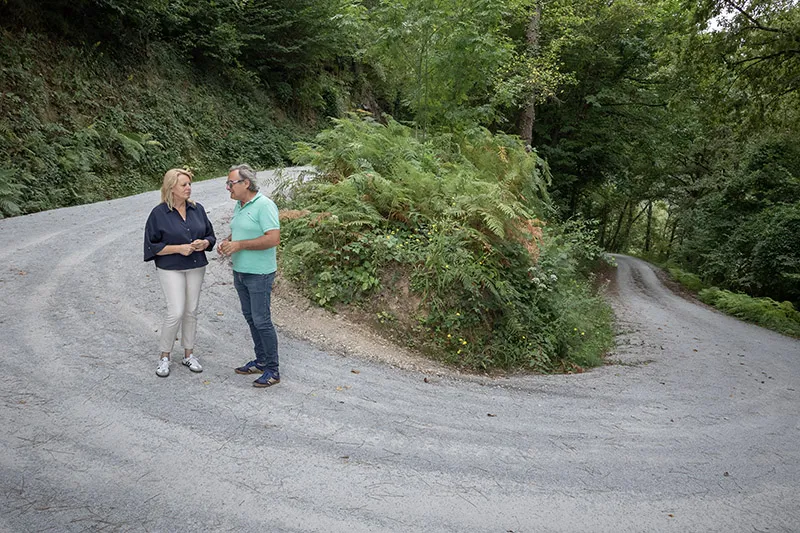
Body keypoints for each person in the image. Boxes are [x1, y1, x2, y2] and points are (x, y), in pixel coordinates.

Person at [144, 168, 216, 378]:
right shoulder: (158, 214)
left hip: (196, 265)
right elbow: (152, 246)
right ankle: (164, 356)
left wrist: (204, 243)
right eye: (183, 184)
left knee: (191, 310)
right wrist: (178, 248)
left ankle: (188, 354)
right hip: (170, 267)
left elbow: (211, 236)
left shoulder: (197, 209)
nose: (188, 188)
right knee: (175, 311)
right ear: (171, 188)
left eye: (189, 184)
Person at [217, 163, 281, 388]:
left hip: (259, 273)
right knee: (251, 318)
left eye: (231, 183)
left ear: (246, 183)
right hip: (240, 271)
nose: (228, 188)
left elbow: (273, 238)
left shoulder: (265, 205)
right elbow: (240, 231)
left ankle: (273, 370)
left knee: (262, 320)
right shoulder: (240, 205)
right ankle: (261, 361)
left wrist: (240, 245)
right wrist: (228, 242)